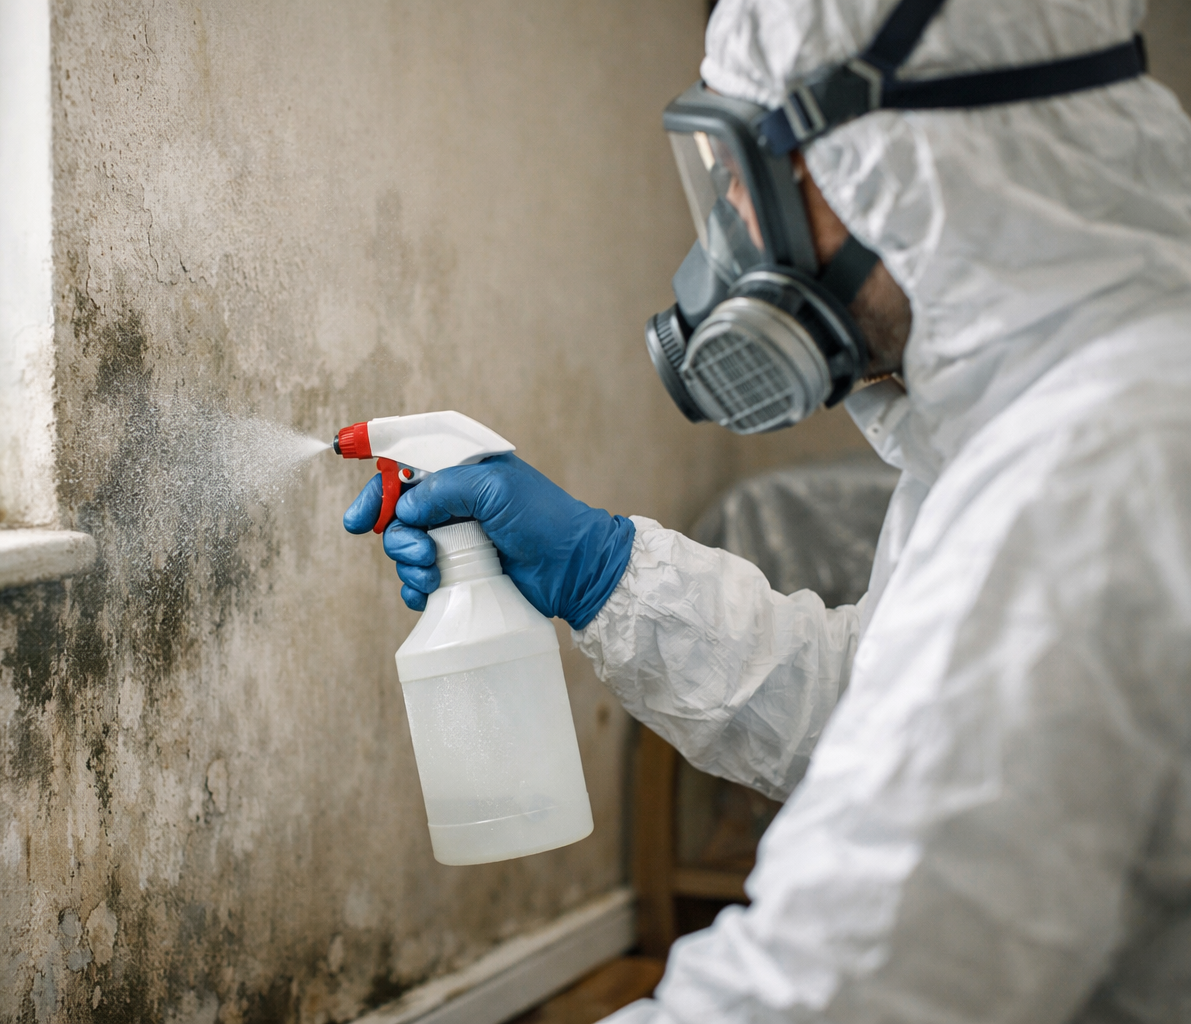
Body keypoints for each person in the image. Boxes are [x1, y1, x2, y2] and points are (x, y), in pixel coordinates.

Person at [344, 0, 1191, 1020]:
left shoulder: (1094, 471)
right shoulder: (1076, 412)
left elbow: (835, 991)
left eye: (750, 172)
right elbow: (883, 712)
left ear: (907, 158)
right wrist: (602, 569)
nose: (739, 235)